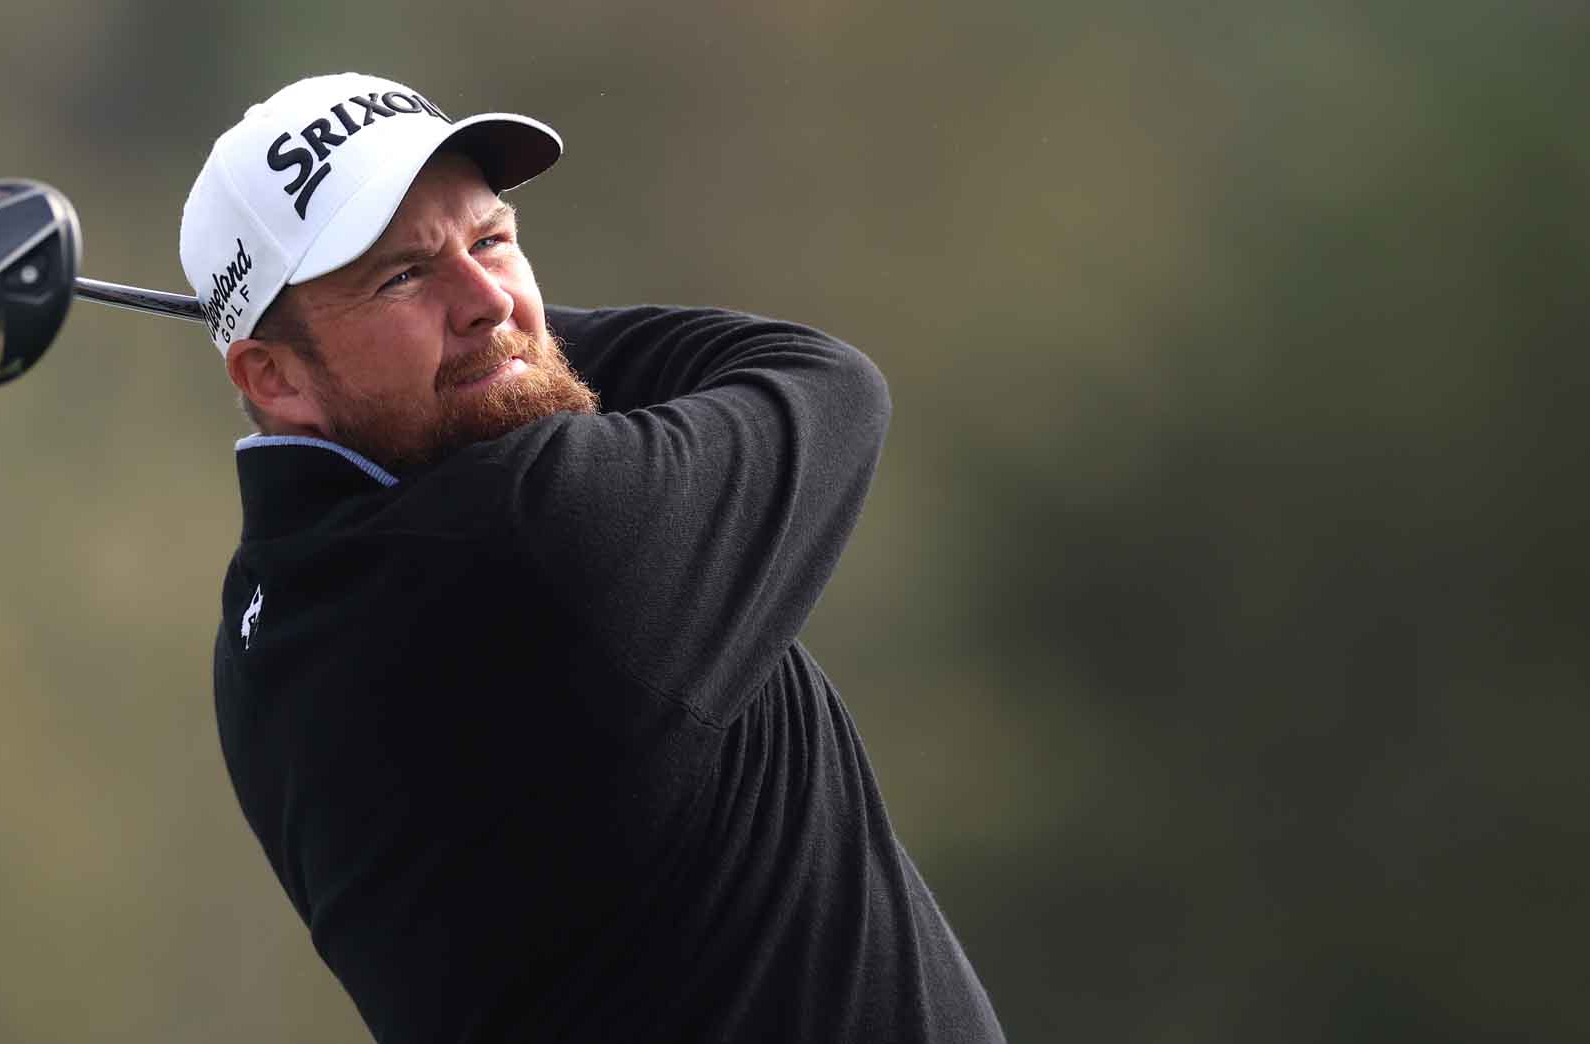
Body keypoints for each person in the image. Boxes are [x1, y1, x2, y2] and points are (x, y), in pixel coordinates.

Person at [181, 72, 1005, 1044]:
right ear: (271, 377)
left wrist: (467, 339)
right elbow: (822, 380)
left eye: (492, 240)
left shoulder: (263, 632)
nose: (486, 297)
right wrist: (519, 345)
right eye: (401, 277)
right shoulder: (538, 535)